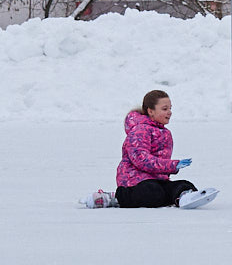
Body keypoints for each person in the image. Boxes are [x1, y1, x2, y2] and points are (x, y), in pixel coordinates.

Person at [81, 90, 217, 209]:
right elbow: (141, 159)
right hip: (134, 181)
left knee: (183, 184)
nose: (169, 112)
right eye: (164, 109)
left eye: (170, 108)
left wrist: (171, 171)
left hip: (156, 179)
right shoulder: (140, 130)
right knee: (152, 192)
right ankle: (114, 198)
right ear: (150, 111)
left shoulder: (165, 133)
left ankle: (185, 196)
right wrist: (172, 165)